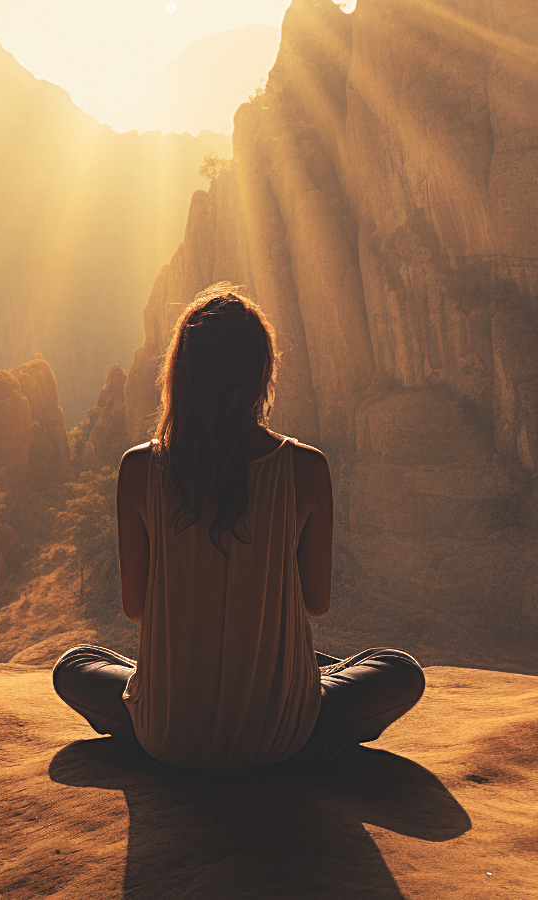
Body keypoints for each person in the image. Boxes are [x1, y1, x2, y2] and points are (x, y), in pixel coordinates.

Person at [53, 284, 424, 771]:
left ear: (179, 375)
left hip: (167, 735)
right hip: (282, 734)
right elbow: (316, 602)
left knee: (74, 666)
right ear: (261, 373)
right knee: (398, 672)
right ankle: (297, 678)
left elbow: (136, 609)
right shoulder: (305, 468)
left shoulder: (139, 469)